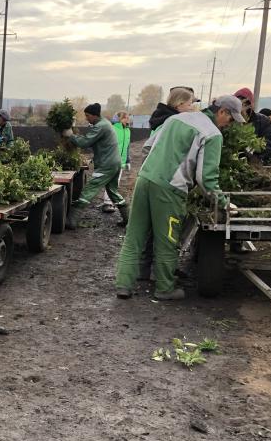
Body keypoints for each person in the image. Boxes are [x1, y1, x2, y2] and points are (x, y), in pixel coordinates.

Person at [115, 95, 243, 301]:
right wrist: (225, 204)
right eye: (230, 119)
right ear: (222, 112)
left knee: (134, 236)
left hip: (145, 179)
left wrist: (155, 170)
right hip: (170, 189)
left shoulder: (176, 119)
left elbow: (148, 147)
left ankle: (124, 285)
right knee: (167, 240)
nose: (229, 125)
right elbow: (206, 179)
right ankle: (165, 289)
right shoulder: (212, 134)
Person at [63, 103, 127, 228]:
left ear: (94, 115)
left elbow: (85, 142)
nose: (86, 118)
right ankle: (128, 219)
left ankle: (71, 221)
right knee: (113, 192)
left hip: (106, 164)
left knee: (88, 190)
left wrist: (71, 135)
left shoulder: (101, 126)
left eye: (87, 115)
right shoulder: (104, 124)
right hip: (114, 163)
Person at [234, 88, 271, 161]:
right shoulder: (231, 120)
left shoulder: (263, 121)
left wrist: (250, 148)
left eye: (242, 104)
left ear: (250, 106)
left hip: (255, 165)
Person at [101, 111, 131, 213]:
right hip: (111, 160)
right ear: (120, 119)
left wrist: (127, 160)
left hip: (121, 162)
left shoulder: (127, 130)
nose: (128, 119)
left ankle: (110, 202)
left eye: (128, 117)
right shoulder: (113, 129)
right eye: (125, 118)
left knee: (115, 182)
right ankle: (107, 203)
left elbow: (127, 147)